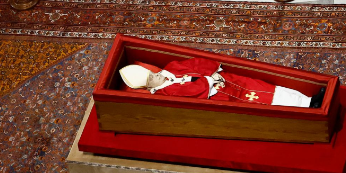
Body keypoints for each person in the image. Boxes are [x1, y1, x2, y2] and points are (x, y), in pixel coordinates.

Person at [118, 58, 323, 107]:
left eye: (153, 73)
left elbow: (195, 63)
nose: (158, 76)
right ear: (149, 86)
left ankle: (307, 99)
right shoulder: (165, 94)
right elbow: (191, 93)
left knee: (266, 87)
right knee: (265, 101)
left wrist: (212, 72)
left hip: (229, 81)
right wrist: (210, 79)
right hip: (226, 96)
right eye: (153, 79)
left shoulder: (170, 67)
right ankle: (307, 107)